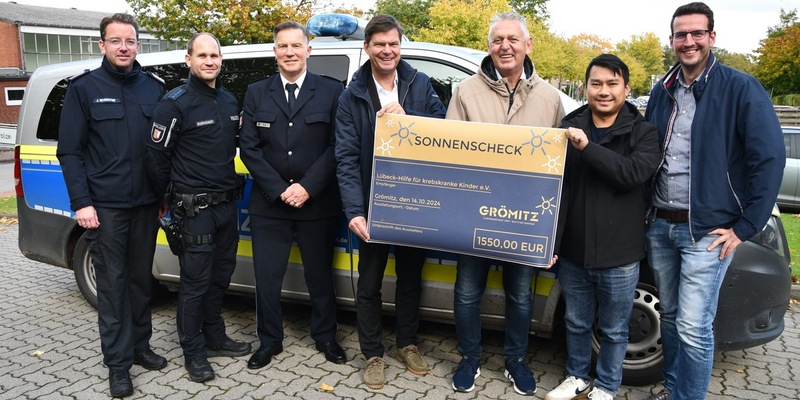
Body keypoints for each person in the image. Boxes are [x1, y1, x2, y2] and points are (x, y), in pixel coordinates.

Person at [644, 3, 785, 399]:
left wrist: (746, 225)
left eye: (696, 33)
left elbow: (769, 158)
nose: (688, 41)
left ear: (712, 37)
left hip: (707, 230)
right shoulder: (663, 90)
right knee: (670, 318)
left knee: (693, 325)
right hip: (660, 223)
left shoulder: (740, 88)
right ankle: (673, 391)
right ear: (671, 39)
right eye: (680, 34)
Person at [445, 12, 565, 396]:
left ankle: (515, 360)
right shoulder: (465, 91)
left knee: (520, 295)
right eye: (498, 40)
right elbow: (448, 152)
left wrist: (551, 231)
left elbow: (561, 166)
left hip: (525, 220)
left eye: (513, 39)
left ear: (528, 45)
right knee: (466, 291)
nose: (505, 46)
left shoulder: (549, 97)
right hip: (473, 216)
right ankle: (470, 357)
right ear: (489, 46)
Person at [56, 13, 166, 398]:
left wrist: (163, 197)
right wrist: (82, 203)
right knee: (113, 284)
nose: (124, 47)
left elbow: (161, 149)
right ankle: (118, 364)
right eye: (116, 41)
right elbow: (69, 151)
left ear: (138, 45)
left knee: (141, 282)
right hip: (105, 208)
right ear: (102, 45)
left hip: (147, 206)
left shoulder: (154, 88)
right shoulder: (84, 89)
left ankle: (140, 346)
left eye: (130, 41)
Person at [335, 14, 446, 390]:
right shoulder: (352, 95)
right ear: (367, 47)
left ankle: (407, 343)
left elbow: (443, 130)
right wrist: (354, 210)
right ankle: (372, 354)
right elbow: (346, 157)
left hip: (415, 202)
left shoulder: (419, 84)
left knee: (410, 279)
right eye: (379, 44)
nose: (387, 50)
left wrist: (409, 118)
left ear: (401, 46)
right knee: (369, 283)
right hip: (373, 205)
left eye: (393, 44)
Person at [545, 54, 659, 400]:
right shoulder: (567, 126)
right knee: (576, 323)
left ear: (626, 88)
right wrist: (548, 240)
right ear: (585, 88)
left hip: (620, 253)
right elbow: (552, 187)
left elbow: (631, 175)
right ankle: (577, 377)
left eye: (612, 84)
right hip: (574, 250)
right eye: (596, 84)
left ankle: (608, 386)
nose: (604, 91)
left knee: (613, 328)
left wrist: (588, 148)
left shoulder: (644, 132)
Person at [239, 21, 346, 370]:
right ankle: (269, 341)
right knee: (267, 278)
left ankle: (326, 337)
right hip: (271, 204)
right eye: (283, 46)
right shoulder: (256, 92)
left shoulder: (331, 91)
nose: (290, 52)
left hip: (317, 202)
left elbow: (337, 146)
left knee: (319, 276)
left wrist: (307, 187)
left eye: (296, 46)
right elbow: (249, 149)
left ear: (308, 50)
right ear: (275, 52)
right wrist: (281, 189)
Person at [144, 32, 251, 384]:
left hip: (225, 207)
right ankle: (193, 352)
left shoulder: (228, 99)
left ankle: (215, 337)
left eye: (214, 55)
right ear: (188, 59)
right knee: (195, 283)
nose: (209, 61)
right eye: (201, 55)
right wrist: (167, 199)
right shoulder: (174, 103)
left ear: (221, 60)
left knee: (220, 278)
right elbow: (157, 158)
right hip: (195, 210)